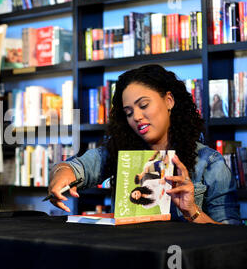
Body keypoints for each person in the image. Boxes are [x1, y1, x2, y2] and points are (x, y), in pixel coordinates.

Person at [48, 64, 241, 225]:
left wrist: (192, 211)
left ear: (169, 100)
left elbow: (231, 239)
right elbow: (78, 167)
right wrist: (62, 174)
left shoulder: (210, 163)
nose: (137, 117)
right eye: (129, 112)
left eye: (143, 105)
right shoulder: (119, 152)